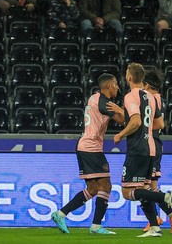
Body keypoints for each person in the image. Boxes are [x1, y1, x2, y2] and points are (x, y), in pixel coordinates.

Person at [112, 63, 172, 237]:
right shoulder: (150, 97)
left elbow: (135, 121)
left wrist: (120, 134)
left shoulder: (130, 96)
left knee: (127, 192)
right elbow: (160, 124)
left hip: (137, 149)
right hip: (151, 147)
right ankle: (154, 227)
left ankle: (165, 197)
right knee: (144, 188)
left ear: (129, 77)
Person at [51, 73, 125, 235]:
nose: (117, 88)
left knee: (92, 189)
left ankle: (60, 214)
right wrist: (124, 110)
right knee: (106, 185)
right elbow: (123, 120)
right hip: (91, 147)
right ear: (108, 86)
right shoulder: (104, 102)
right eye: (115, 85)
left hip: (85, 146)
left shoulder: (94, 98)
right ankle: (96, 226)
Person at [141, 69, 172, 234]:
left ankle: (167, 213)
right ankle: (160, 217)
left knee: (143, 187)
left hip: (151, 145)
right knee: (149, 186)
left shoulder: (151, 99)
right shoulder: (157, 98)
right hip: (153, 144)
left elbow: (158, 124)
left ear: (147, 85)